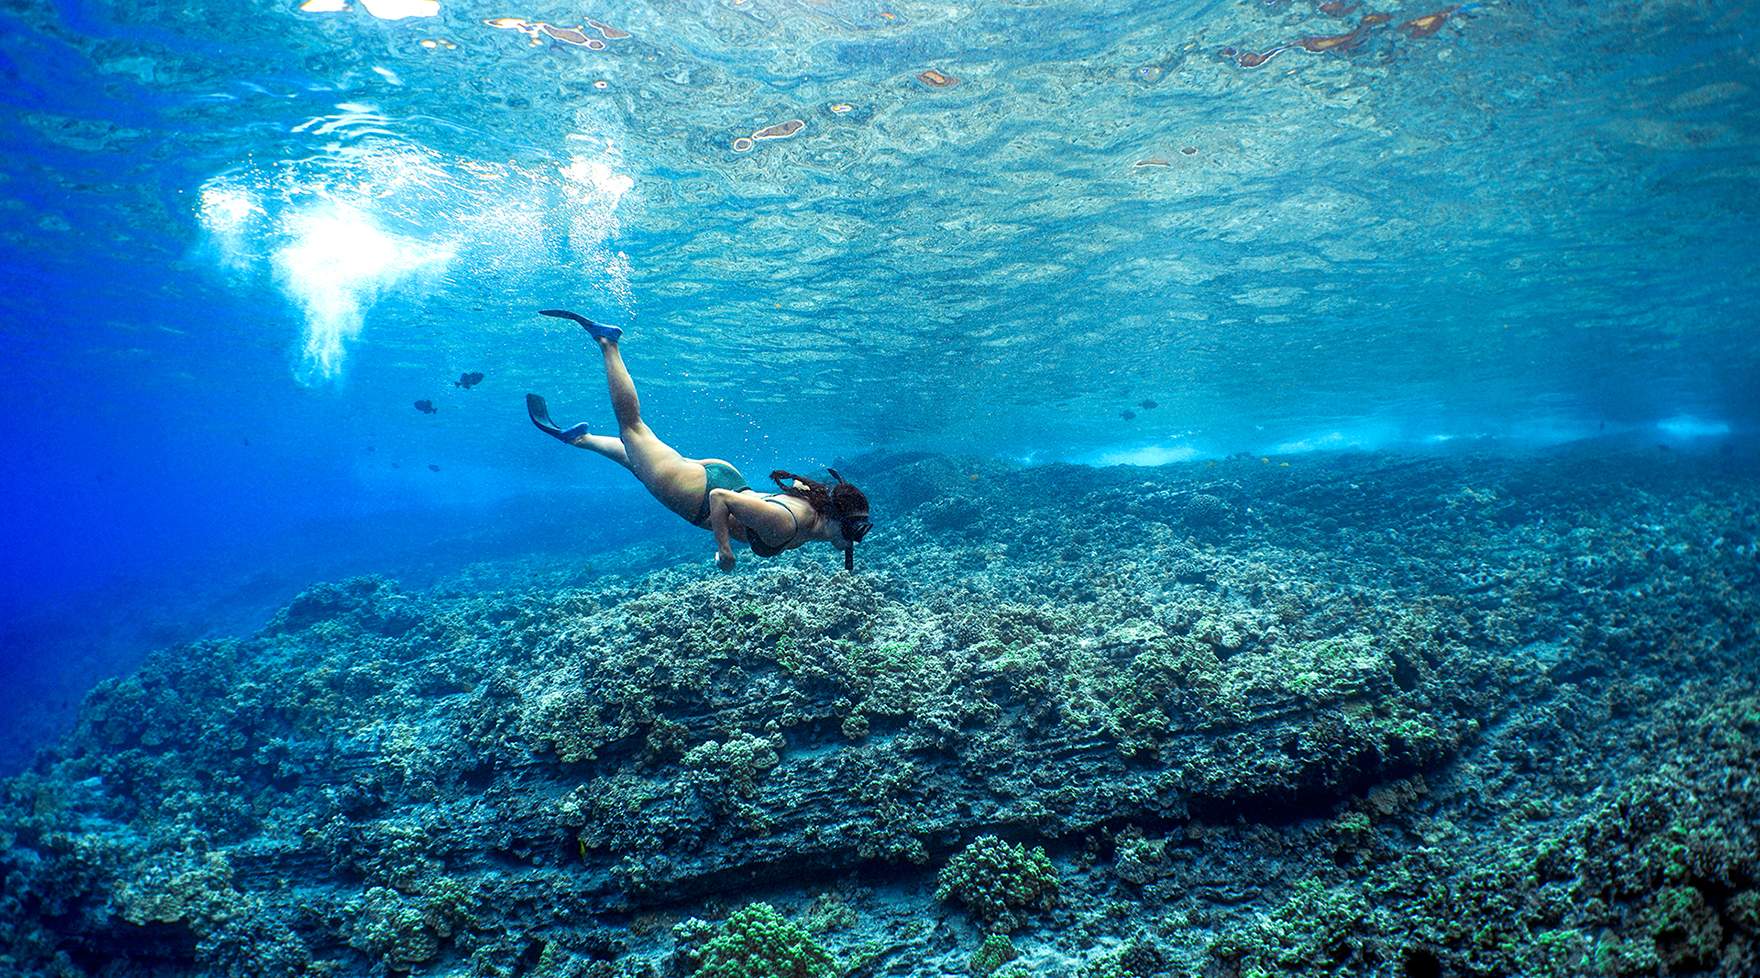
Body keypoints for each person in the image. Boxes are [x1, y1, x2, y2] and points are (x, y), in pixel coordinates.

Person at [526, 309, 872, 572]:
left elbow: (797, 487)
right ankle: (608, 343)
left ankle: (581, 438)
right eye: (856, 530)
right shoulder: (787, 523)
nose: (856, 539)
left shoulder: (815, 512)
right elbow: (722, 498)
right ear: (838, 520)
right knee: (632, 429)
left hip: (723, 478)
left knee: (639, 464)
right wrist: (724, 549)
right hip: (703, 495)